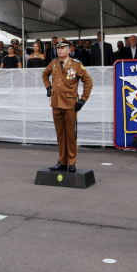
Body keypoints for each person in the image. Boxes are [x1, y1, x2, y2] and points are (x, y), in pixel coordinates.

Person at [41, 38, 92, 173]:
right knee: (60, 134)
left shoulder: (76, 64)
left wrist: (83, 99)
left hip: (70, 104)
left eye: (62, 48)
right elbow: (44, 75)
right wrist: (48, 87)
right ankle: (62, 161)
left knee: (70, 134)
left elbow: (88, 81)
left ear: (69, 50)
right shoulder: (53, 63)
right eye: (58, 48)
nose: (59, 50)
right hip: (56, 103)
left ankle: (71, 161)